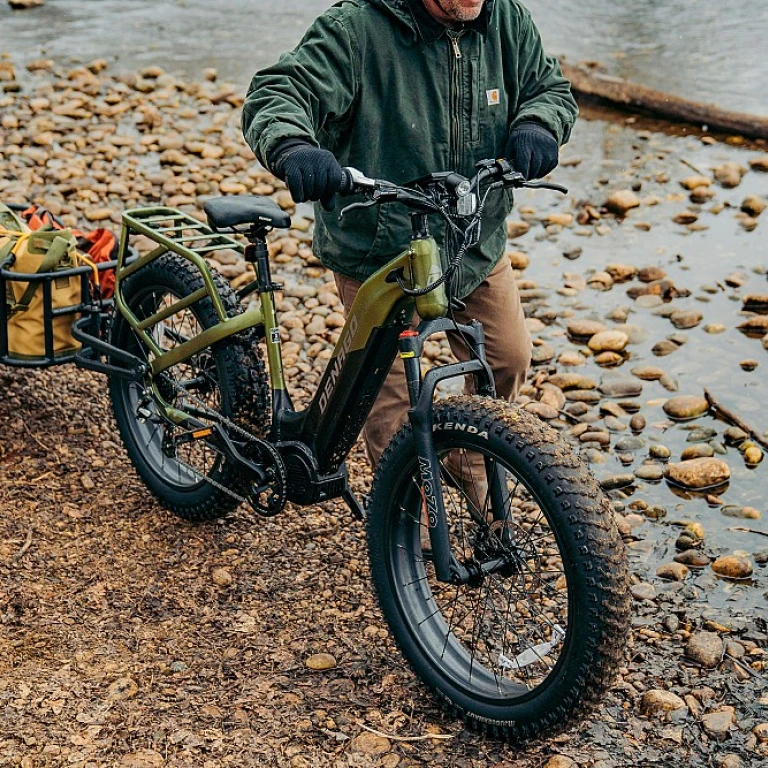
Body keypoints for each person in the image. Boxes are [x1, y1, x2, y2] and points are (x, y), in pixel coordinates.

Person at [242, 0, 578, 493]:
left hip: (473, 240)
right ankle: (405, 520)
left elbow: (549, 89)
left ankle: (470, 465)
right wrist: (294, 145)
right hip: (383, 250)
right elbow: (279, 91)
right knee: (390, 395)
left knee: (507, 358)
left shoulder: (505, 18)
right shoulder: (354, 29)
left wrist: (540, 123)